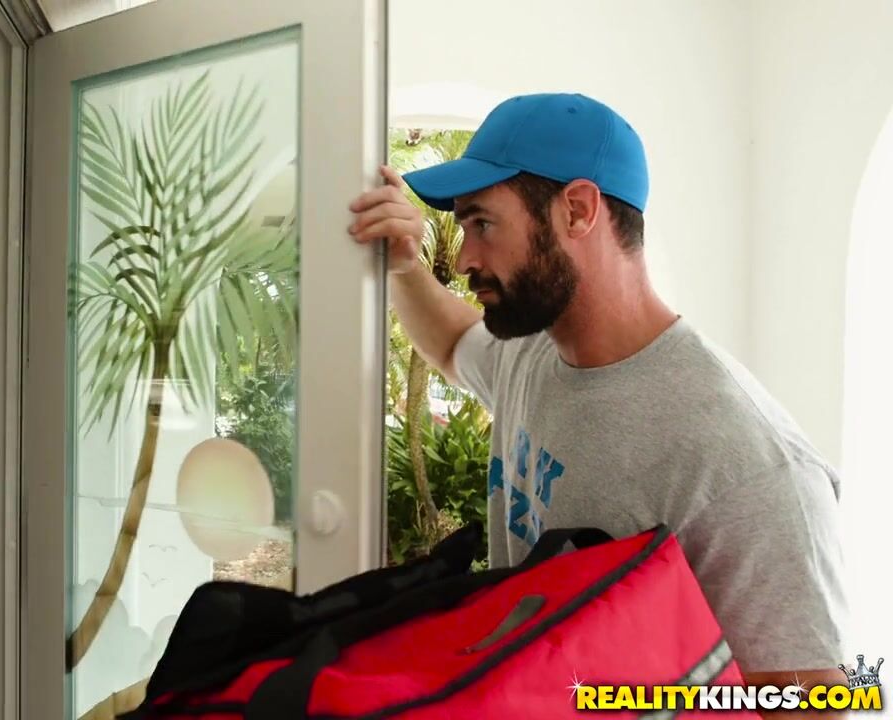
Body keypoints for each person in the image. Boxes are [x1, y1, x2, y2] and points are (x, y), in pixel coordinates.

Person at [348, 93, 850, 699]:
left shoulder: (746, 464)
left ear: (578, 210)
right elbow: (454, 342)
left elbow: (807, 703)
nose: (462, 259)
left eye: (482, 224)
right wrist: (403, 267)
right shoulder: (532, 354)